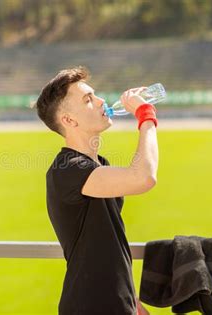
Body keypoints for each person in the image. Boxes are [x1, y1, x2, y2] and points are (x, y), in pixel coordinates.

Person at [33, 66, 158, 315]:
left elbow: (107, 242)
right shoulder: (67, 170)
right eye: (88, 100)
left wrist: (131, 299)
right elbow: (143, 177)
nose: (101, 101)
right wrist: (146, 116)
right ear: (69, 120)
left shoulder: (100, 166)